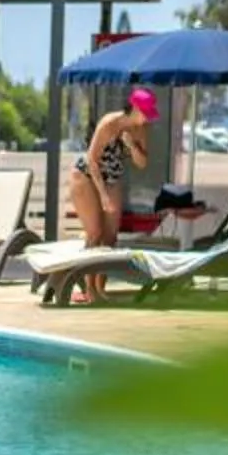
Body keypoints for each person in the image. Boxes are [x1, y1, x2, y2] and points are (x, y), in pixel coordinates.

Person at [59, 89, 155, 303]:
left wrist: (131, 145)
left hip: (112, 178)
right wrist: (102, 196)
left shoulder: (140, 130)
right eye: (146, 112)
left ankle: (99, 289)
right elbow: (92, 161)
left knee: (110, 237)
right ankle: (88, 289)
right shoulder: (109, 124)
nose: (148, 118)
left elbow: (142, 163)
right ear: (136, 108)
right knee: (95, 233)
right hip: (87, 176)